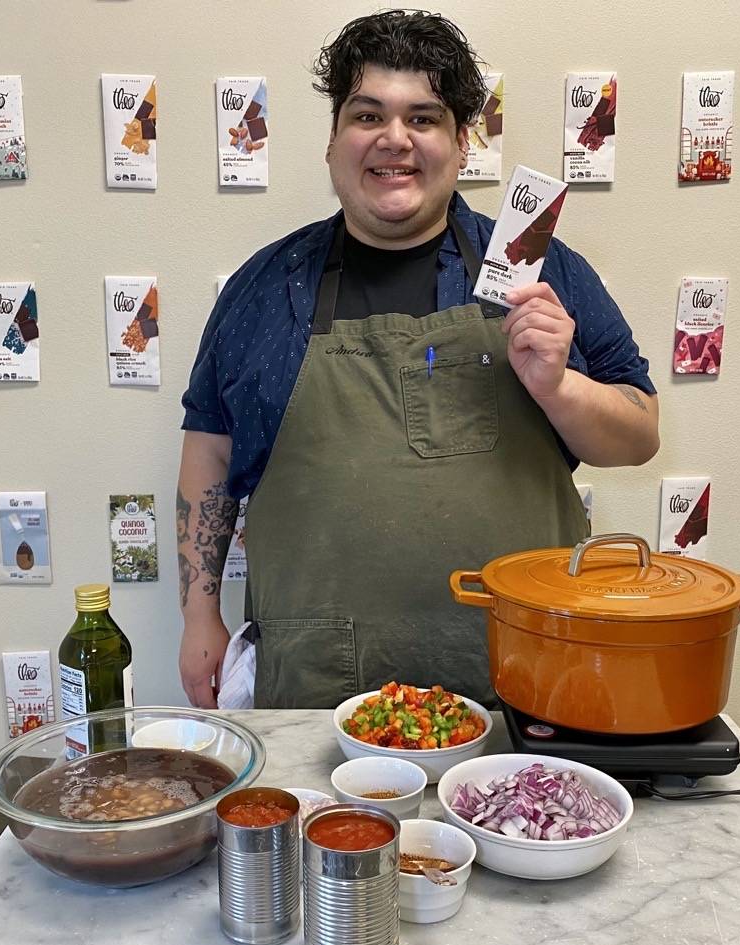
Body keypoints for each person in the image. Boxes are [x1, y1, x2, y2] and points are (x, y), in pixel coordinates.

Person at [177, 10, 659, 711]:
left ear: (462, 143)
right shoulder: (264, 287)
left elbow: (639, 434)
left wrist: (560, 389)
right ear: (333, 140)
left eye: (423, 118)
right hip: (316, 686)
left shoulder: (537, 271)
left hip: (518, 679)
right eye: (367, 114)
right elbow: (211, 452)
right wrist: (199, 617)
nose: (393, 139)